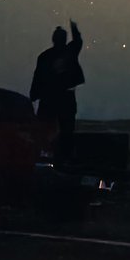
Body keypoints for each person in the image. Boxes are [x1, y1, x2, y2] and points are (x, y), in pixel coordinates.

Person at [30, 21, 85, 161]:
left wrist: (34, 95)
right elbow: (78, 41)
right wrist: (74, 25)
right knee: (64, 131)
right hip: (61, 98)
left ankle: (49, 155)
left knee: (52, 130)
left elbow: (37, 78)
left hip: (51, 98)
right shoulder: (69, 52)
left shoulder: (45, 56)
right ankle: (61, 156)